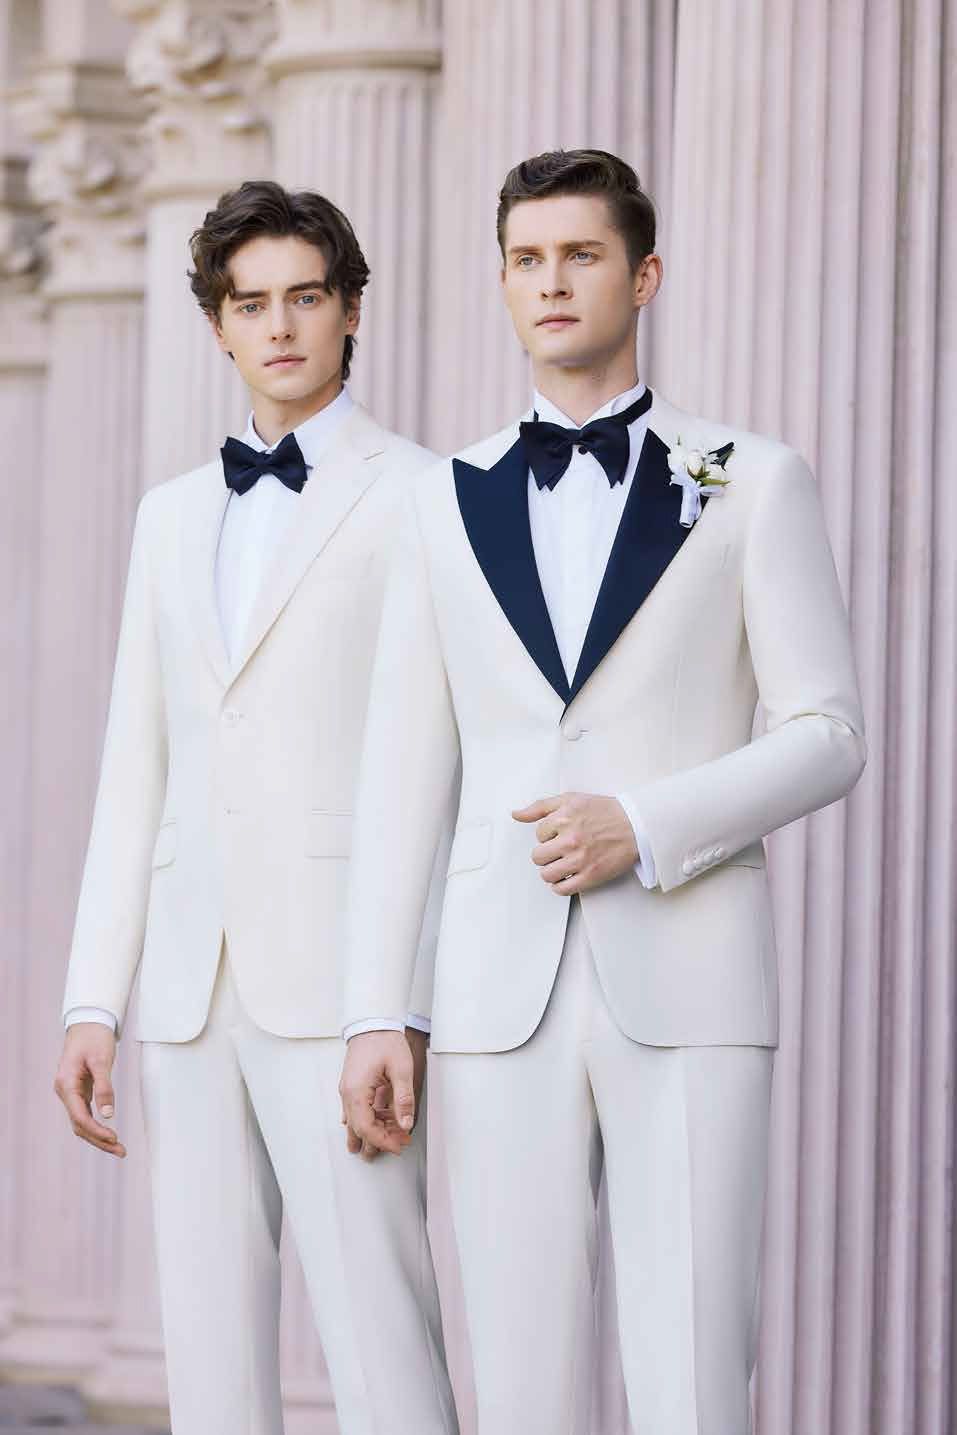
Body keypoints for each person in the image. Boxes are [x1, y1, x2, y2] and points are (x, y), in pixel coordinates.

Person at [339, 149, 866, 1434]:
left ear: (645, 275)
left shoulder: (754, 475)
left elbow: (832, 731)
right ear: (503, 284)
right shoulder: (439, 503)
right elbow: (405, 771)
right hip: (491, 991)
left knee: (693, 1371)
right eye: (527, 259)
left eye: (581, 255)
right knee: (518, 1380)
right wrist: (375, 1010)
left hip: (691, 976)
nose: (553, 282)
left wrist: (650, 821)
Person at [54, 180, 458, 1435]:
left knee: (383, 1345)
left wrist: (395, 1001)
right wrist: (91, 997)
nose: (279, 325)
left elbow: (438, 766)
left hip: (343, 985)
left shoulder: (424, 495)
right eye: (251, 303)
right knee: (212, 1370)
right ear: (219, 326)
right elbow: (139, 767)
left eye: (305, 297)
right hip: (187, 991)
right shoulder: (169, 517)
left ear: (349, 313)